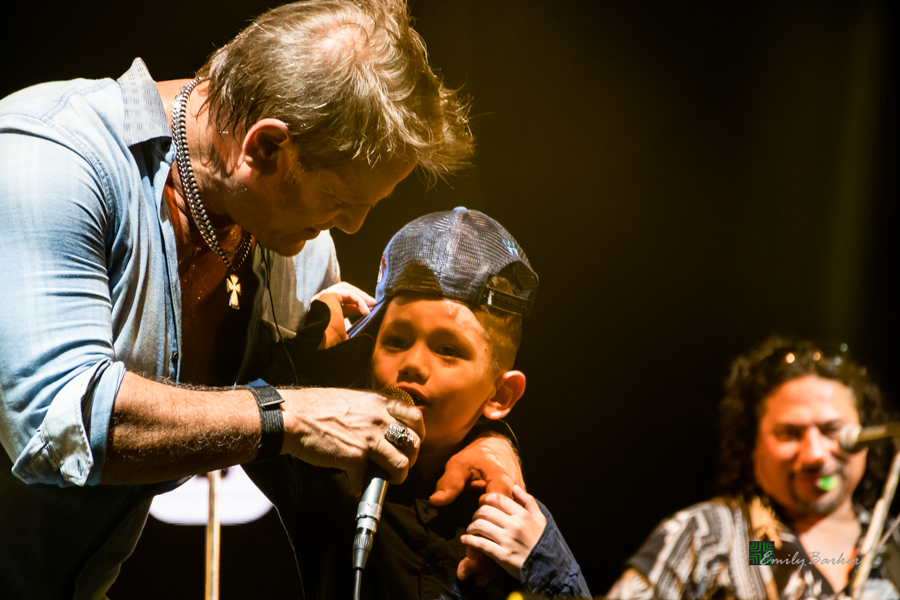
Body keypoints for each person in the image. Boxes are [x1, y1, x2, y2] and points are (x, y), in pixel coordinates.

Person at [0, 2, 526, 598]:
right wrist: (288, 416)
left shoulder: (296, 246)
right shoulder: (50, 159)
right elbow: (56, 421)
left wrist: (490, 444)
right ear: (266, 147)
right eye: (340, 199)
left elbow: (369, 402)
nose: (351, 227)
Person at [245, 208, 591, 599]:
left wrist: (543, 561)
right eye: (395, 341)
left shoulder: (512, 520)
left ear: (500, 395)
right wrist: (318, 352)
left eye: (448, 350)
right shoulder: (325, 473)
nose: (413, 363)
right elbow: (241, 395)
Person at [606, 336, 899, 600]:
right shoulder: (703, 536)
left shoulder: (894, 542)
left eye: (832, 430)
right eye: (790, 433)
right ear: (752, 443)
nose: (815, 455)